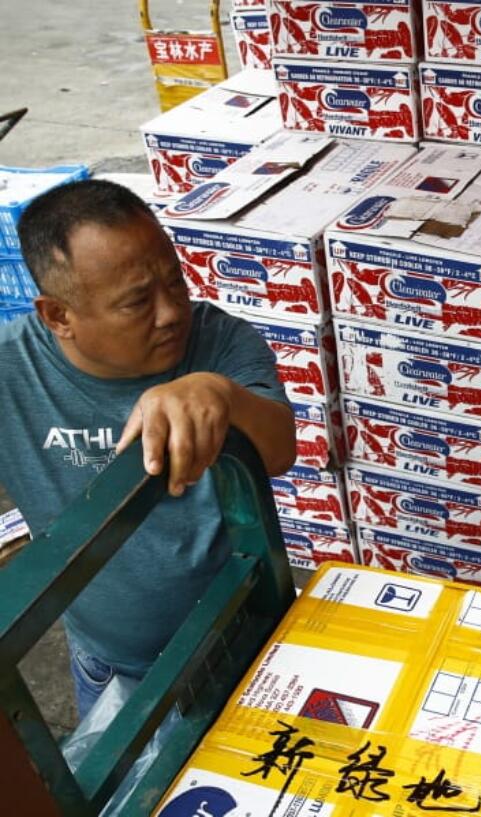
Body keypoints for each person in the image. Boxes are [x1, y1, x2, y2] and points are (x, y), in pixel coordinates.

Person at [0, 179, 296, 718]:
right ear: (58, 316)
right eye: (138, 301)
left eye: (175, 284)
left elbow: (279, 450)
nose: (171, 313)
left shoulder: (220, 343)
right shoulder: (10, 371)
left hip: (242, 642)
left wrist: (220, 394)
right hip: (107, 665)